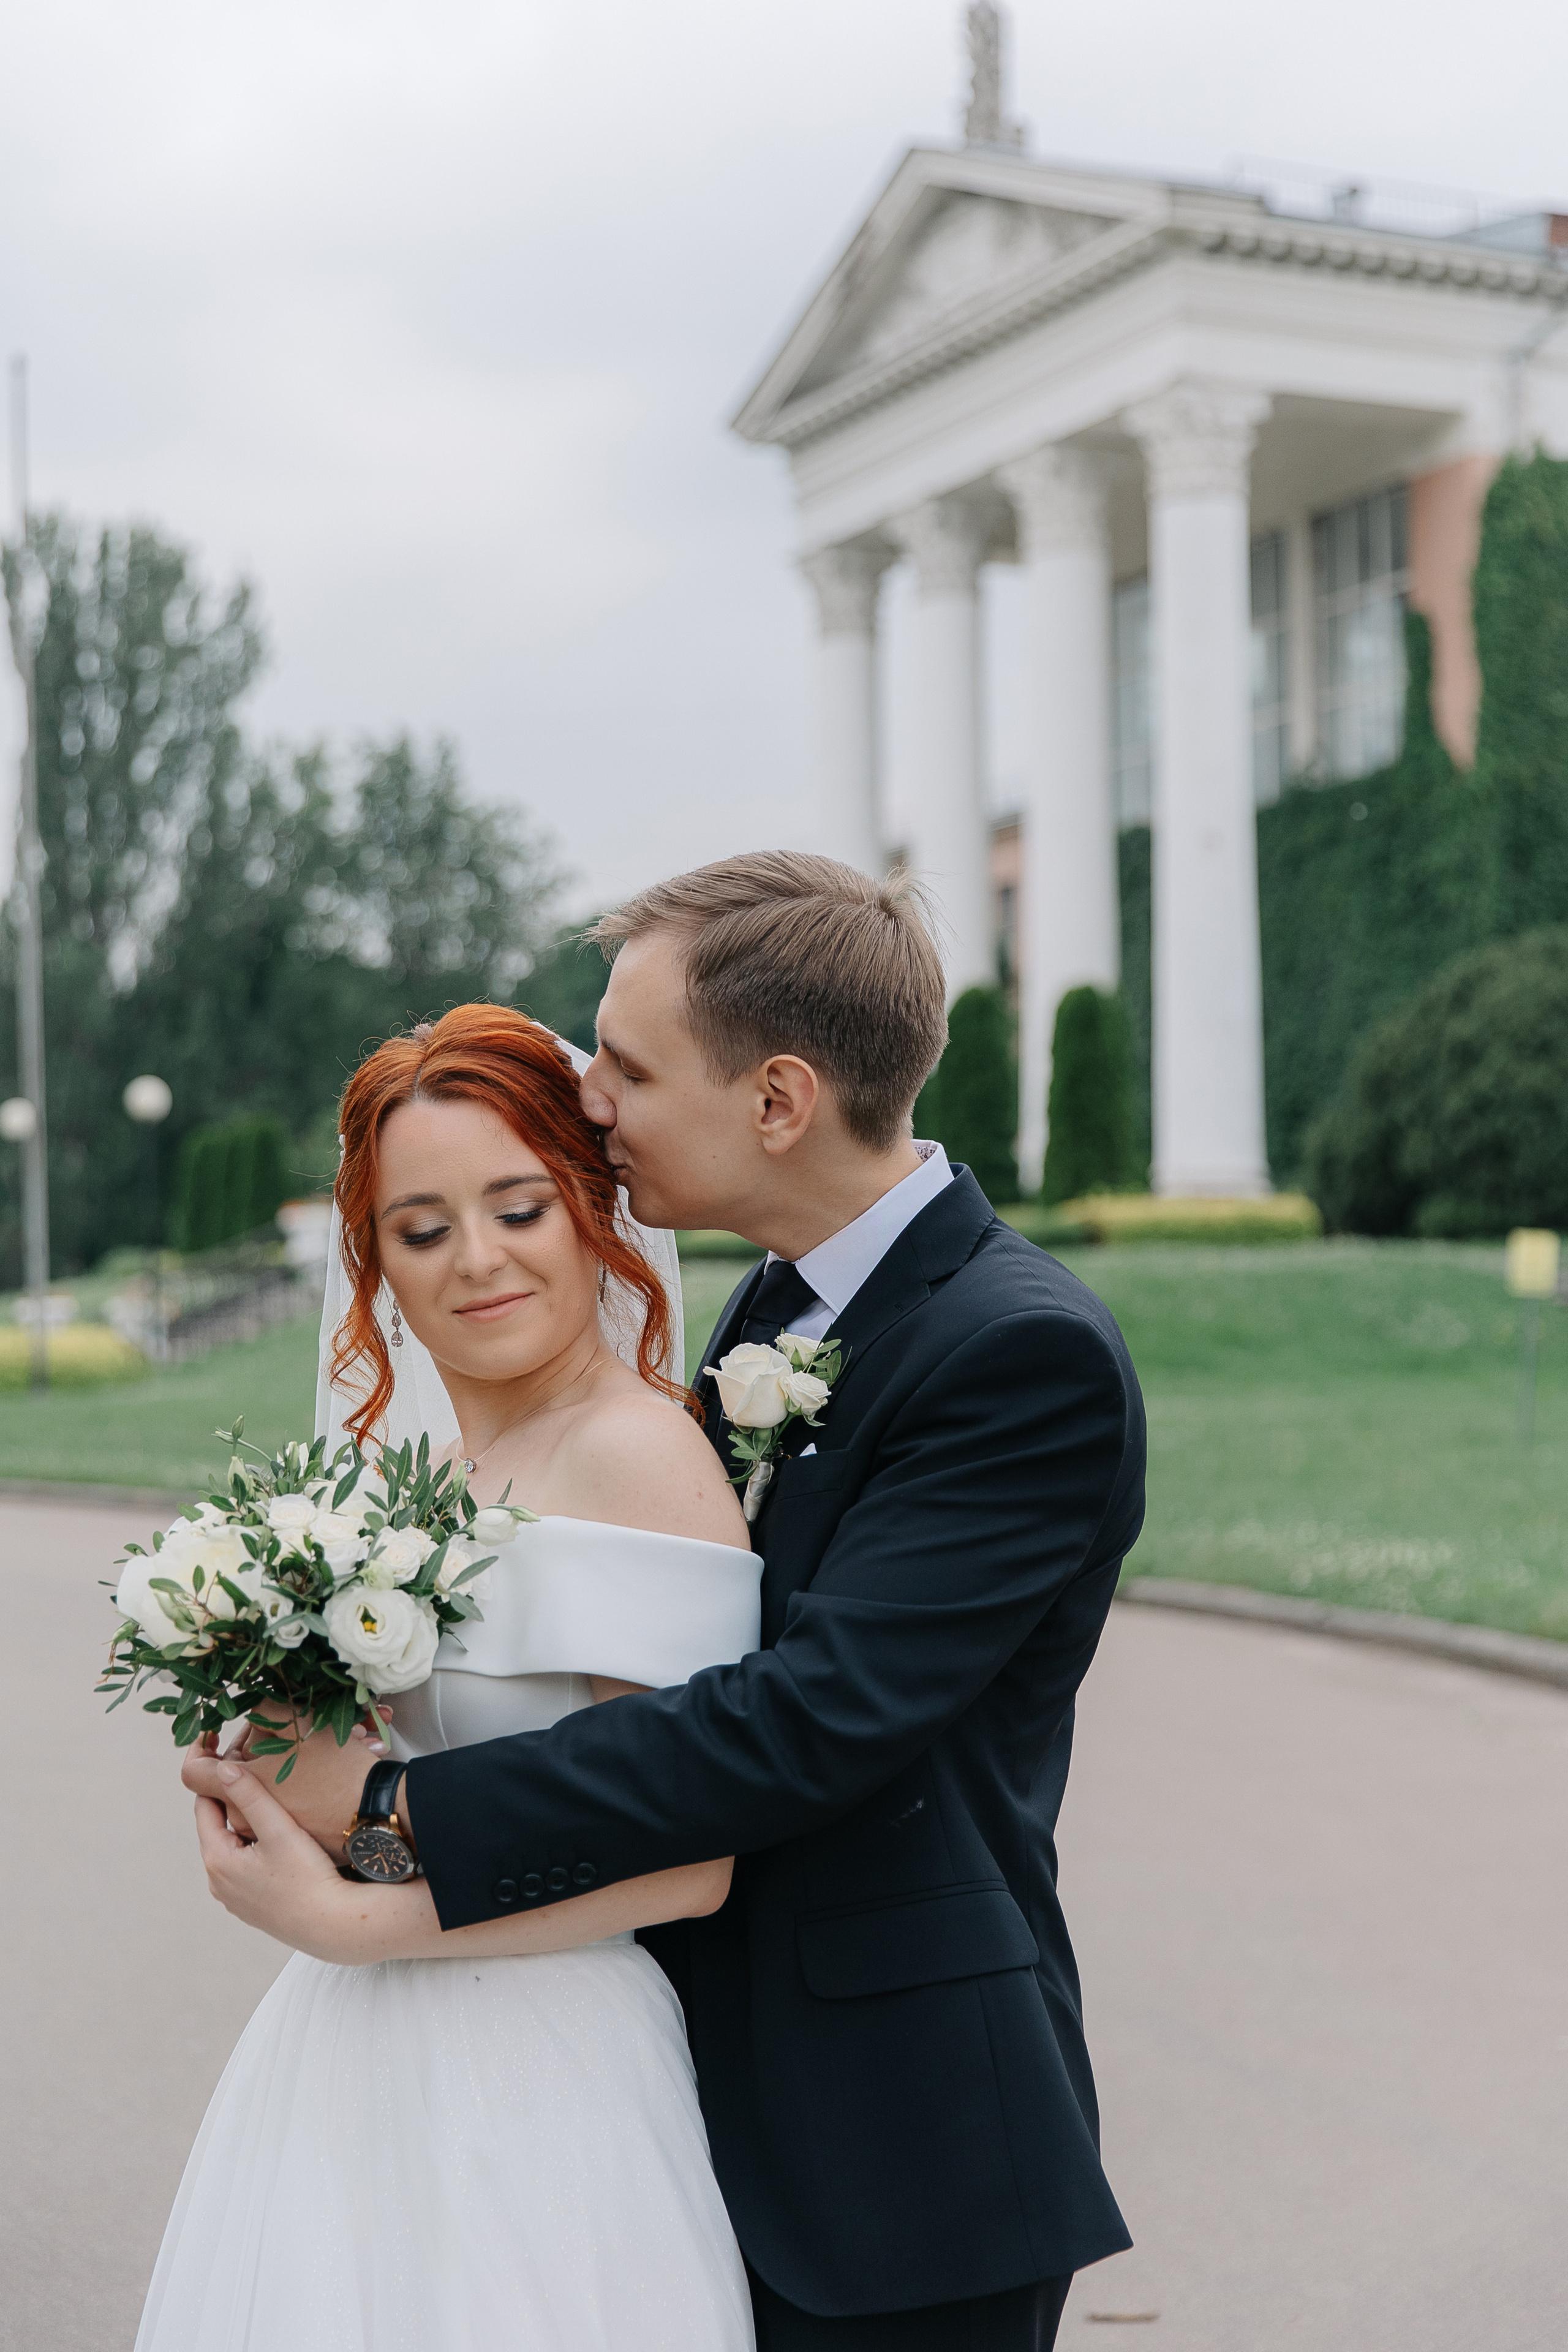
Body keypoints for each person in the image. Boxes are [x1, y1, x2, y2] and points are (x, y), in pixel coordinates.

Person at [191, 851, 1146, 2351]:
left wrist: (388, 1828)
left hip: (892, 2138)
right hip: (666, 2079)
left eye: (624, 1068)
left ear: (773, 1102)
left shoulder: (1017, 1354)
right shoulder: (774, 1302)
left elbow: (797, 1724)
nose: (590, 1100)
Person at [141, 1005, 761, 2351]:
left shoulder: (635, 1456)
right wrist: (270, 1776)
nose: (476, 1261)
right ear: (374, 1263)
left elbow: (690, 1862)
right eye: (423, 1229)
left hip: (544, 2074)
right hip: (344, 2059)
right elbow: (377, 1802)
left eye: (519, 1207)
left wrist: (354, 1910)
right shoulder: (392, 1491)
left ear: (590, 1210)